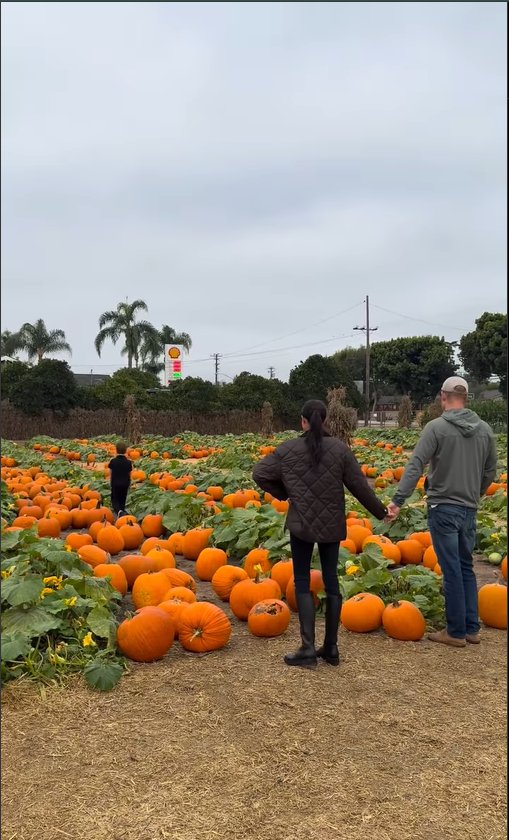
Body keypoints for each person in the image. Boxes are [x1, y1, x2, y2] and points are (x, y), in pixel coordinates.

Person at [252, 399, 389, 669]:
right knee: (331, 580)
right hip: (331, 523)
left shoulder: (288, 449)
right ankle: (331, 647)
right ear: (323, 420)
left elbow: (259, 473)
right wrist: (382, 512)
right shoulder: (339, 449)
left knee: (302, 580)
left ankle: (306, 648)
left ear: (303, 421)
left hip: (301, 523)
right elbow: (360, 487)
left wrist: (286, 493)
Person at [387, 376, 498, 648]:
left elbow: (416, 465)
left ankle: (456, 631)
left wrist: (398, 499)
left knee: (451, 570)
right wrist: (477, 492)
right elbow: (490, 471)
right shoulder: (484, 429)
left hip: (443, 507)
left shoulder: (435, 428)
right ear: (467, 397)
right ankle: (471, 628)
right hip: (469, 508)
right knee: (465, 566)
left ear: (442, 396)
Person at [108, 441, 132, 518]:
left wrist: (110, 482)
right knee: (123, 498)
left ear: (116, 450)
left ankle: (119, 511)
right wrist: (130, 483)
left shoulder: (113, 461)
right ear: (125, 450)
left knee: (115, 499)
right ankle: (122, 511)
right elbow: (129, 474)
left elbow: (111, 473)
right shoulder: (128, 462)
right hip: (125, 483)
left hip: (115, 483)